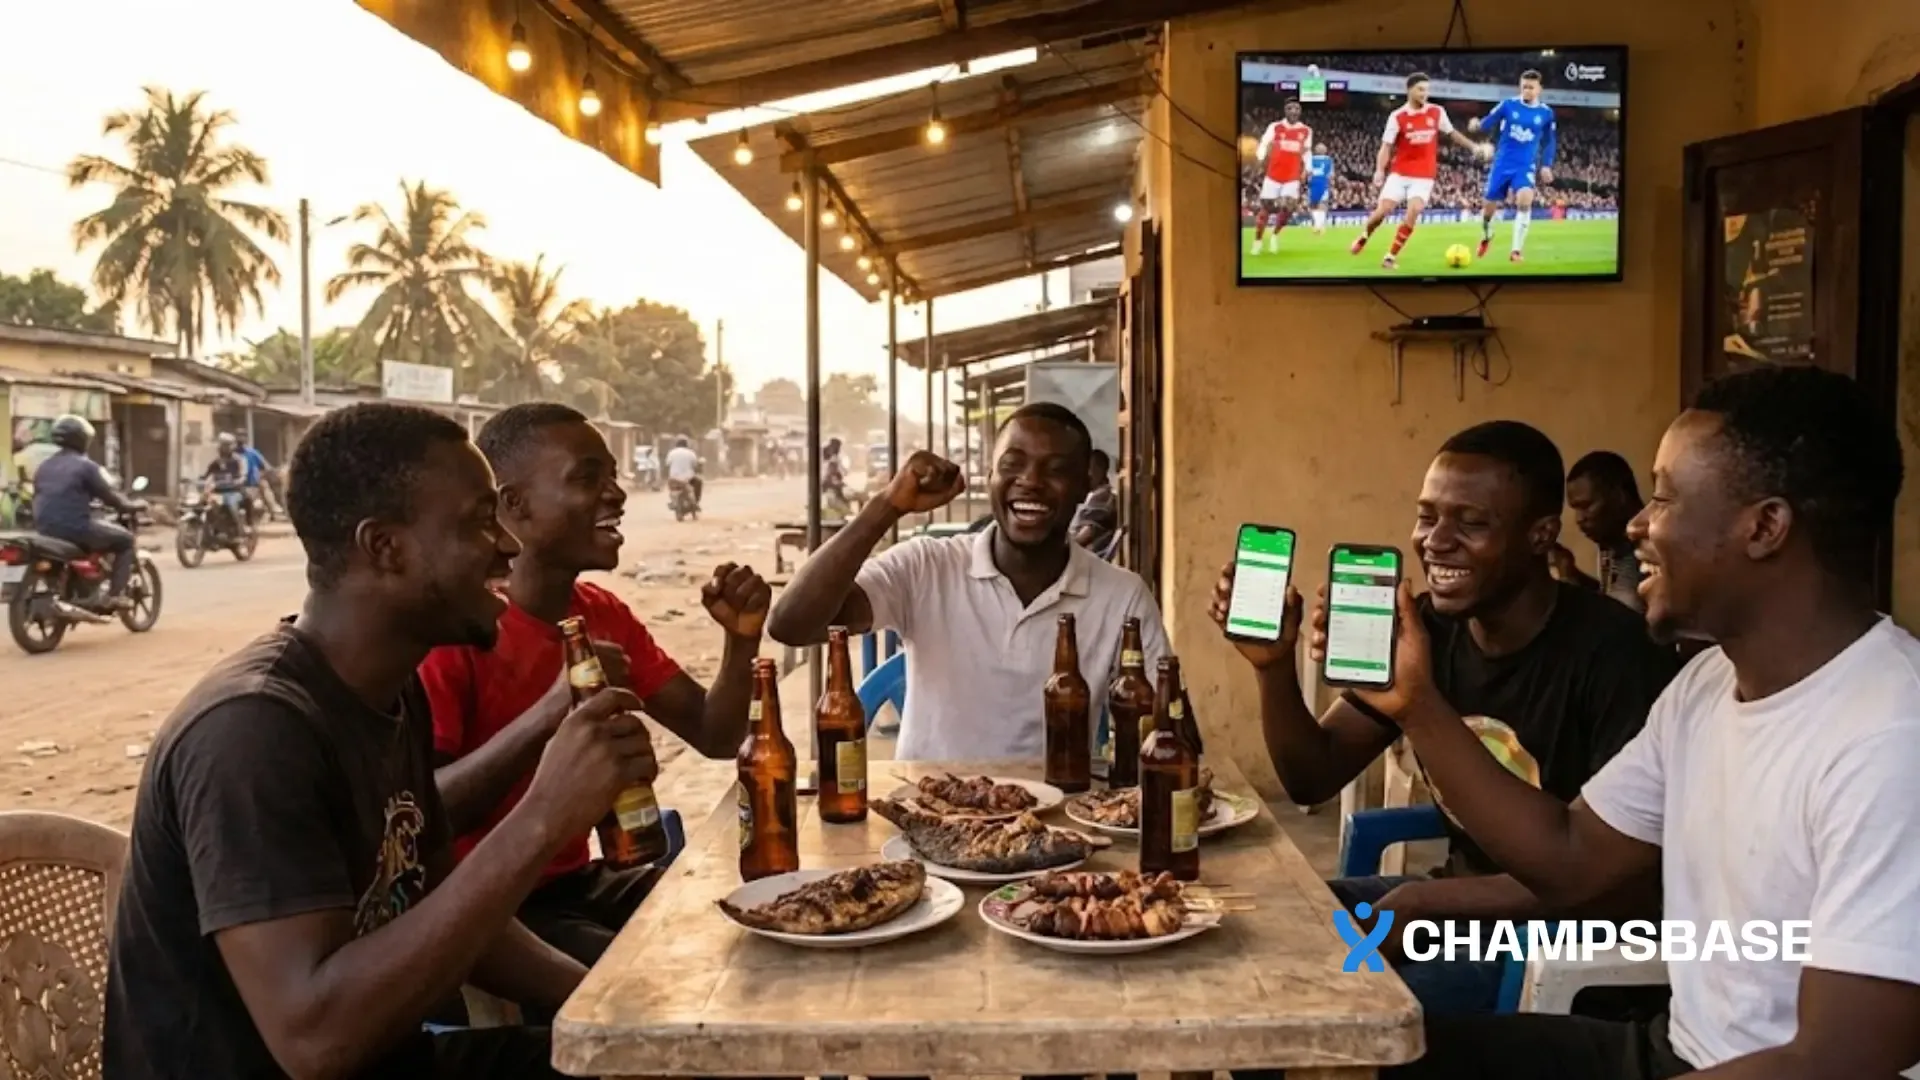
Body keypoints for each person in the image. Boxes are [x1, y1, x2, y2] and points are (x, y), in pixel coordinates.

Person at [1376, 367, 1920, 1079]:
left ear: (1765, 527)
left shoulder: (1889, 739)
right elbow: (1573, 859)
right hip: (1679, 1053)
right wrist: (1416, 705)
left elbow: (1836, 1061)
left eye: (1663, 498)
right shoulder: (1704, 684)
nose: (1636, 524)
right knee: (1346, 1057)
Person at [104, 402, 658, 1079]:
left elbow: (441, 905)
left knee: (677, 1064)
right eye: (480, 523)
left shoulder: (392, 694)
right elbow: (314, 1042)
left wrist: (606, 1010)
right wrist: (543, 819)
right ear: (385, 548)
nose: (508, 546)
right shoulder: (252, 732)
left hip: (387, 1063)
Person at [1210, 420, 1676, 1017]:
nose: (1436, 540)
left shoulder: (1617, 656)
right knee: (1263, 931)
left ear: (1541, 536)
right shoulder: (1430, 628)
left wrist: (1437, 905)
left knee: (1346, 1011)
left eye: (1472, 522)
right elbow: (1311, 776)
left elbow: (1614, 886)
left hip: (1575, 936)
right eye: (1427, 516)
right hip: (1460, 903)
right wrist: (1272, 667)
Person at [419, 402, 771, 970]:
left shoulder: (600, 614)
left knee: (759, 932)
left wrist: (740, 639)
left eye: (611, 476)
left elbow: (715, 734)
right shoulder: (456, 634)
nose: (616, 495)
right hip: (491, 909)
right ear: (514, 506)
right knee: (667, 982)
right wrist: (555, 711)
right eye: (587, 479)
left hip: (581, 882)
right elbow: (425, 813)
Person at [768, 403, 1169, 761]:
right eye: (1013, 464)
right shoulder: (926, 565)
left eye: (1056, 469)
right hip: (928, 818)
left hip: (1059, 825)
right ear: (990, 474)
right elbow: (791, 624)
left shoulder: (1122, 596)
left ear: (1085, 487)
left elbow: (1167, 729)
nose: (1030, 480)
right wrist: (888, 505)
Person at [1352, 72, 1492, 270]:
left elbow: (1452, 134)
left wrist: (1474, 147)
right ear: (1409, 90)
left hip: (1424, 175)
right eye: (1420, 89)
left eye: (1426, 89)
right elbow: (1386, 147)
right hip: (1400, 173)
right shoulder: (1397, 117)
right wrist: (1379, 171)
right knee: (1381, 213)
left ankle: (1390, 256)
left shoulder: (1436, 111)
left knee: (1414, 211)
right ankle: (1364, 236)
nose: (1424, 93)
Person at [29, 414, 145, 612]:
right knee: (125, 540)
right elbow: (110, 496)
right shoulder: (86, 466)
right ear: (81, 439)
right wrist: (130, 506)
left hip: (44, 529)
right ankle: (116, 596)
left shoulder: (44, 466)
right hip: (76, 528)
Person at [1468, 69, 1557, 263]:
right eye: (1524, 86)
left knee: (1525, 200)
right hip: (1502, 163)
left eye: (1531, 87)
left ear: (1539, 89)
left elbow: (1550, 142)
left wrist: (1547, 165)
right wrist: (1476, 125)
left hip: (1525, 165)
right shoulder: (1508, 105)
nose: (1527, 90)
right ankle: (1487, 235)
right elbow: (1487, 122)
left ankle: (1516, 250)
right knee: (1488, 209)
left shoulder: (1546, 113)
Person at [1555, 450, 1646, 613]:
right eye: (1576, 508)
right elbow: (1610, 598)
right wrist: (1572, 572)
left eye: (1586, 506)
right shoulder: (1611, 543)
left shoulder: (1654, 549)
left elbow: (1623, 617)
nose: (1579, 519)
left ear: (1619, 497)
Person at [1251, 99, 1312, 256]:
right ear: (1285, 110)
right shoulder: (1275, 127)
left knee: (1288, 208)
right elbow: (1264, 143)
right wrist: (1260, 156)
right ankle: (1258, 241)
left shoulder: (1306, 130)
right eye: (1290, 108)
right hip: (1273, 176)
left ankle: (1275, 235)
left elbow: (1306, 151)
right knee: (1266, 209)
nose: (1294, 111)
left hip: (1292, 177)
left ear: (1300, 111)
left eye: (1297, 108)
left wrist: (1308, 169)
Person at [1070, 448, 1118, 553]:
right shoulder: (1094, 494)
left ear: (1101, 470)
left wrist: (1066, 549)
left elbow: (1088, 532)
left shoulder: (1102, 495)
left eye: (1089, 469)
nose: (1086, 474)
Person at [205, 433, 251, 535]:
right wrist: (205, 482)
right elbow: (208, 475)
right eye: (223, 445)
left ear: (232, 446)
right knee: (208, 506)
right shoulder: (216, 461)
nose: (224, 447)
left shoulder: (239, 460)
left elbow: (243, 474)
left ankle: (241, 528)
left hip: (234, 491)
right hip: (218, 492)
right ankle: (214, 529)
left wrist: (239, 480)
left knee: (231, 505)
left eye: (227, 445)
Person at [235, 432, 282, 520]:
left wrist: (270, 473)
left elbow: (265, 465)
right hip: (236, 483)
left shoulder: (252, 453)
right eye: (239, 440)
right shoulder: (232, 455)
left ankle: (273, 511)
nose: (240, 442)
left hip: (253, 482)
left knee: (264, 486)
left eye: (242, 439)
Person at [1306, 141, 1336, 234]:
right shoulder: (1328, 160)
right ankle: (1320, 226)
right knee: (1323, 205)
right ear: (1325, 151)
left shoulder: (1311, 159)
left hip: (1314, 183)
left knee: (1313, 205)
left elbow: (1308, 172)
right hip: (1323, 183)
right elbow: (1331, 175)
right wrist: (1331, 184)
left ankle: (1317, 226)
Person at [664, 437, 701, 508]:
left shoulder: (671, 452)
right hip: (688, 478)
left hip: (673, 478)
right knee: (699, 482)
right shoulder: (691, 453)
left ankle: (673, 501)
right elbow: (695, 465)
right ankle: (696, 502)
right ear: (686, 445)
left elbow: (667, 465)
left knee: (672, 488)